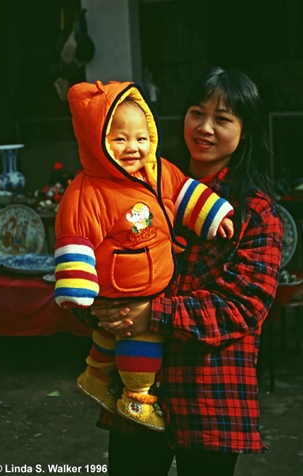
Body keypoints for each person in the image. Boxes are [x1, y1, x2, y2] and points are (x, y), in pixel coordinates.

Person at [88, 67, 283, 476]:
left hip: (212, 394)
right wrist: (99, 302)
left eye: (223, 119)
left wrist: (151, 313)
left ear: (245, 131)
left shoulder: (257, 213)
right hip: (139, 392)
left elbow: (242, 306)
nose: (205, 128)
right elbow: (104, 257)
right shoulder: (142, 191)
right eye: (197, 112)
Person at [54, 80, 235, 432]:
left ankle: (94, 375)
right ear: (96, 141)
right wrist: (78, 289)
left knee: (114, 332)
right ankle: (138, 398)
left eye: (141, 138)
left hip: (149, 289)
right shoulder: (87, 190)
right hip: (125, 285)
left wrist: (215, 215)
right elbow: (75, 235)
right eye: (119, 139)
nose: (133, 147)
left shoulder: (157, 171)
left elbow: (184, 194)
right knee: (142, 337)